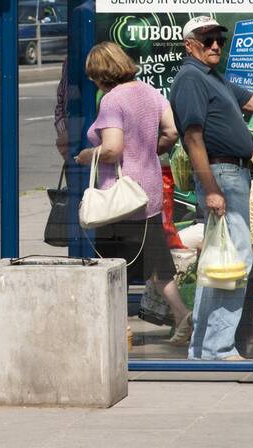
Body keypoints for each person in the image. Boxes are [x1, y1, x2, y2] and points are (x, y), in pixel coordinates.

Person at [169, 16, 253, 360]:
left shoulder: (212, 78)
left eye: (219, 39)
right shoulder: (190, 78)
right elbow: (192, 136)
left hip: (231, 174)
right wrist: (211, 187)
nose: (215, 45)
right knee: (237, 260)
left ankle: (204, 350)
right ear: (189, 45)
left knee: (220, 261)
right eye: (207, 40)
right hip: (222, 173)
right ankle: (218, 347)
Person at [74, 42, 191, 345]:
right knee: (158, 264)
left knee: (113, 266)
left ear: (100, 73)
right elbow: (172, 130)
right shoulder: (148, 91)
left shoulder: (112, 100)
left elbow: (112, 149)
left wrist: (87, 156)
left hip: (119, 198)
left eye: (92, 75)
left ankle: (119, 331)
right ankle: (182, 316)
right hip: (147, 193)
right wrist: (150, 152)